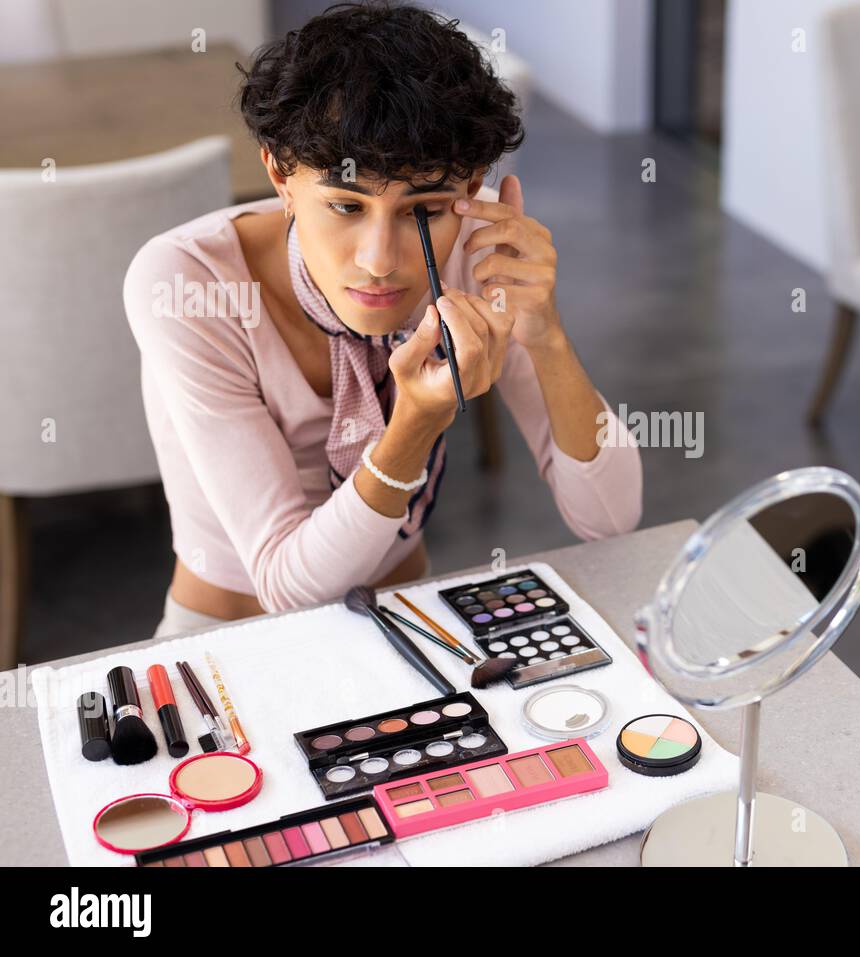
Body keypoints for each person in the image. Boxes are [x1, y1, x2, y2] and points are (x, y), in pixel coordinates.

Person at [123, 2, 642, 638]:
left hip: (402, 619)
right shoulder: (188, 281)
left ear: (473, 185)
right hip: (224, 642)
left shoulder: (479, 253)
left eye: (422, 211)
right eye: (345, 205)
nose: (378, 263)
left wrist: (547, 333)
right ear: (279, 174)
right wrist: (415, 425)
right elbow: (288, 587)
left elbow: (609, 521)